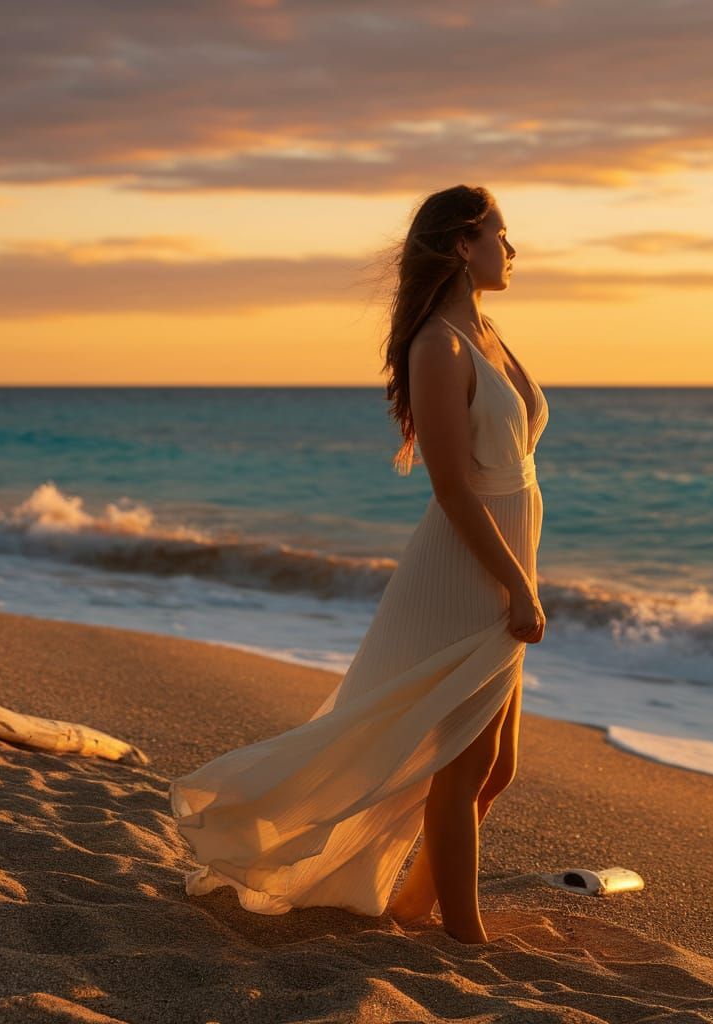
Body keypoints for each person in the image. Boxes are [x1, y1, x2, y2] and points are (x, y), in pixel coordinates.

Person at [168, 184, 549, 945]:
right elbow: (451, 487)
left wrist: (521, 573)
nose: (514, 250)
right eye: (501, 236)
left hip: (502, 561)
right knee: (463, 765)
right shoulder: (437, 347)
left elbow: (509, 462)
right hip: (464, 573)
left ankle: (413, 905)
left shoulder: (486, 328)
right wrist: (513, 582)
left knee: (496, 766)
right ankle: (463, 934)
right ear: (461, 245)